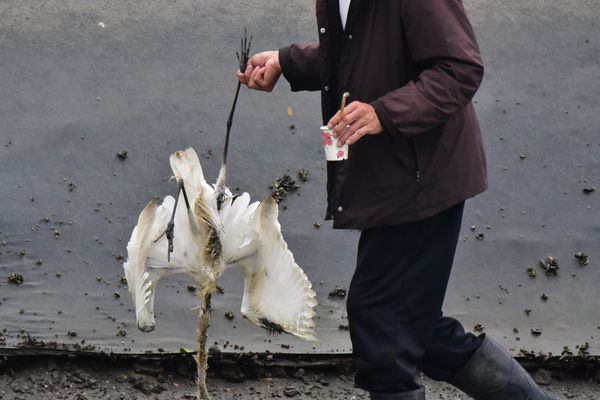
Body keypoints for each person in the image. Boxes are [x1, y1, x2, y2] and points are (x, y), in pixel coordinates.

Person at [237, 1, 560, 399]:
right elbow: (361, 55)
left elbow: (460, 69)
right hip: (394, 176)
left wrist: (384, 113)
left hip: (425, 177)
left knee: (381, 322)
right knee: (411, 326)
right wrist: (287, 62)